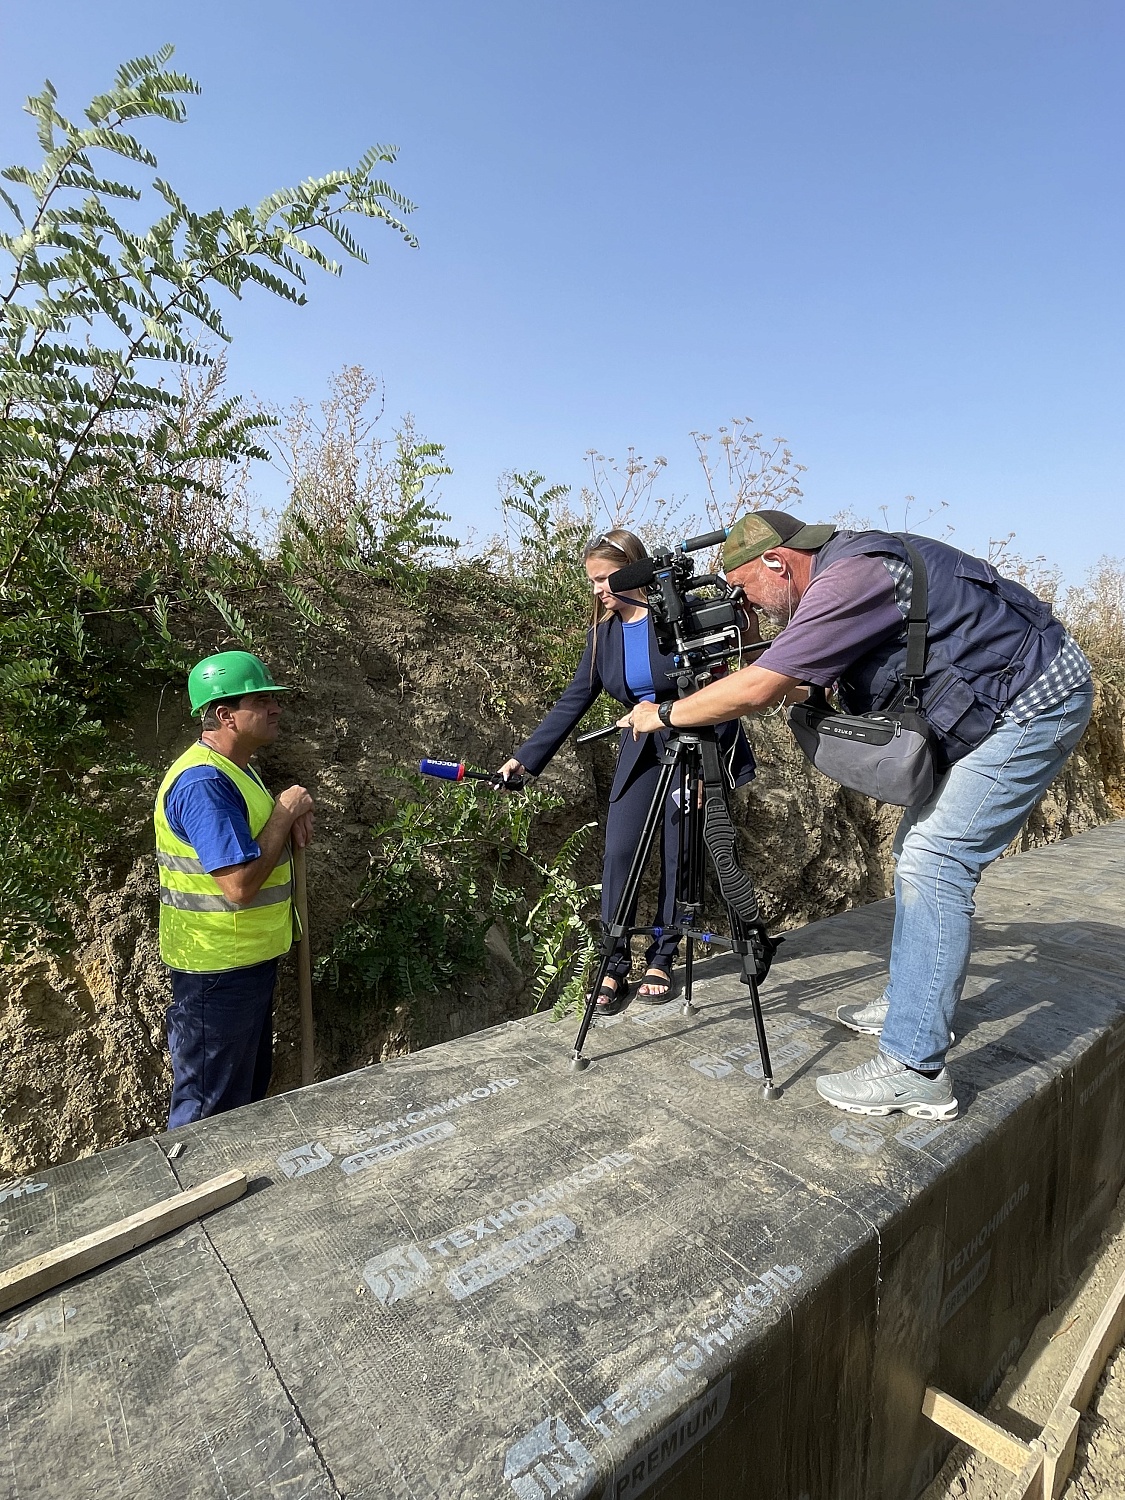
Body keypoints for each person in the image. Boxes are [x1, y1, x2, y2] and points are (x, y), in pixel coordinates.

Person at [621, 511, 1093, 1119]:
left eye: (742, 588)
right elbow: (798, 682)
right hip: (1006, 698)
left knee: (934, 860)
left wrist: (666, 715)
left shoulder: (848, 580)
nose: (746, 605)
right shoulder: (847, 567)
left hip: (1036, 703)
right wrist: (732, 688)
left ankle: (914, 1068)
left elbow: (764, 686)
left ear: (777, 561)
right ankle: (910, 1004)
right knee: (916, 849)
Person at [499, 529, 756, 1014]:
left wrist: (711, 773)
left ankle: (662, 955)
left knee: (679, 855)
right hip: (639, 750)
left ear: (631, 571)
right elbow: (574, 699)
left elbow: (721, 694)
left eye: (603, 579)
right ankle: (613, 961)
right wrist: (526, 757)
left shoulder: (676, 620)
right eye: (591, 580)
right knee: (620, 852)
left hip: (689, 747)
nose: (596, 590)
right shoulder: (604, 636)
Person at [154, 650, 315, 1127]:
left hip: (244, 962)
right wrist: (284, 813)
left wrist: (286, 821)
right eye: (261, 700)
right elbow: (238, 885)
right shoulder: (203, 783)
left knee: (237, 1099)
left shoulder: (236, 770)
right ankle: (194, 1197)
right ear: (225, 714)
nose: (275, 708)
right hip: (217, 972)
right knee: (209, 1112)